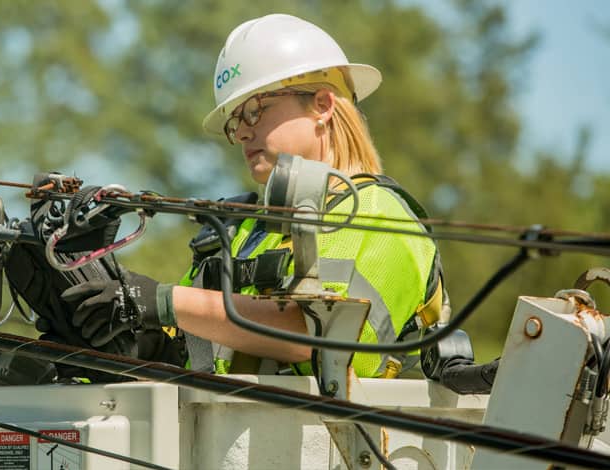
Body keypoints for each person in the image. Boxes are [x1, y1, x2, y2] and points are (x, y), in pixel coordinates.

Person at [63, 14, 445, 378]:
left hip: (340, 443)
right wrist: (111, 306)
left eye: (255, 111)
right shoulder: (244, 229)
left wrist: (161, 302)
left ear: (323, 105)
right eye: (235, 121)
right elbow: (188, 345)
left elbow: (323, 336)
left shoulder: (382, 215)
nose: (243, 133)